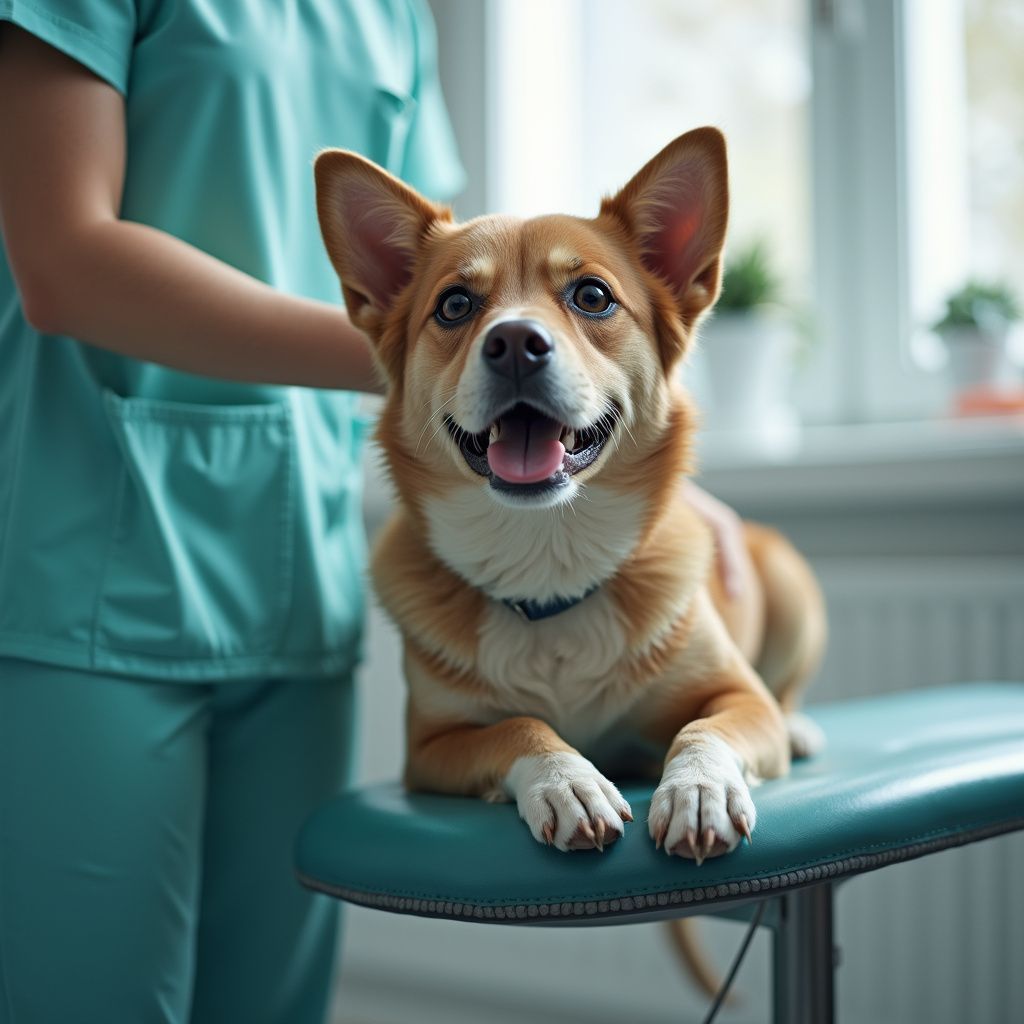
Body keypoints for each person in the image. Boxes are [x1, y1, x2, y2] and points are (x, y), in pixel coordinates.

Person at [0, 4, 746, 1021]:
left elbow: (460, 270)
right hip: (84, 549)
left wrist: (612, 432)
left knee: (273, 1004)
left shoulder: (390, 11)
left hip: (300, 564)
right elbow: (65, 262)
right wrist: (430, 358)